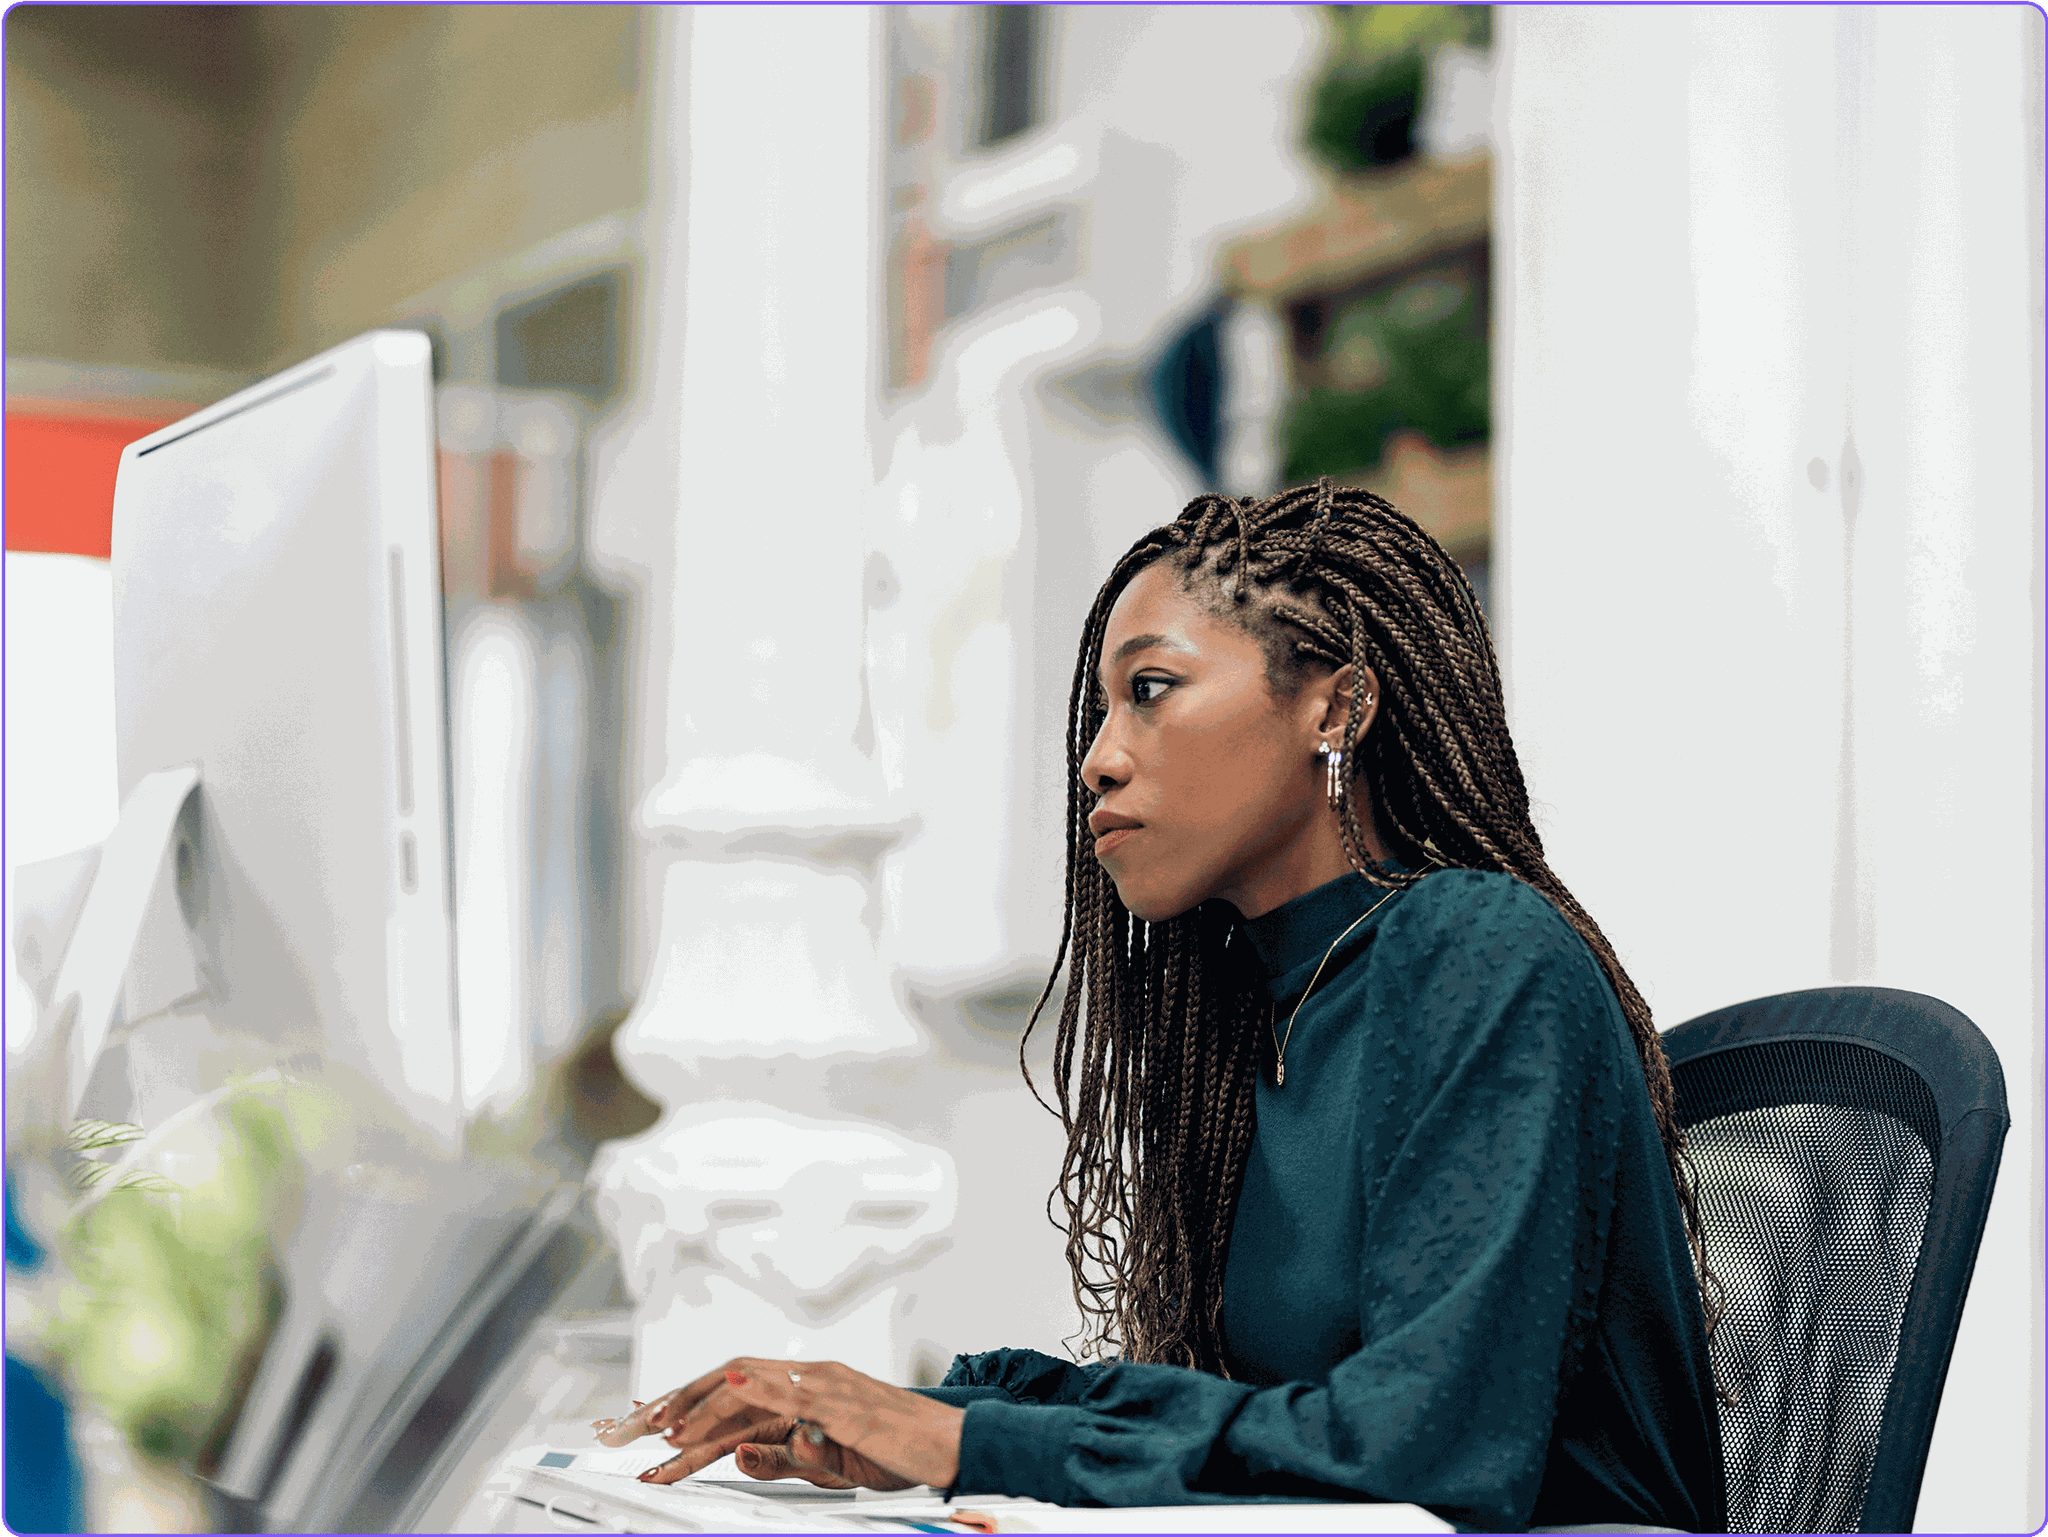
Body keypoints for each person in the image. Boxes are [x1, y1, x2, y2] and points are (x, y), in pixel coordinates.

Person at [596, 482, 1728, 1533]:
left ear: (1336, 707)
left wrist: (971, 1440)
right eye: (1099, 712)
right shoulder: (1263, 1006)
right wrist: (926, 1413)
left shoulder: (1473, 947)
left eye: (1149, 690)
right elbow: (1286, 1421)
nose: (1095, 760)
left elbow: (1423, 1453)